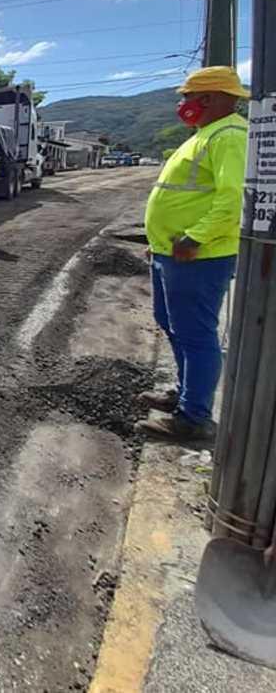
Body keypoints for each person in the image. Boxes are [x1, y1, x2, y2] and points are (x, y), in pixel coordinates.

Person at [137, 65, 249, 444]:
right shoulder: (207, 133)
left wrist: (195, 237)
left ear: (210, 97)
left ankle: (193, 417)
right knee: (173, 325)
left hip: (197, 256)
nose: (183, 104)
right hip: (173, 252)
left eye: (187, 96)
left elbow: (233, 198)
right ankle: (184, 395)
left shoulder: (230, 135)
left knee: (196, 334)